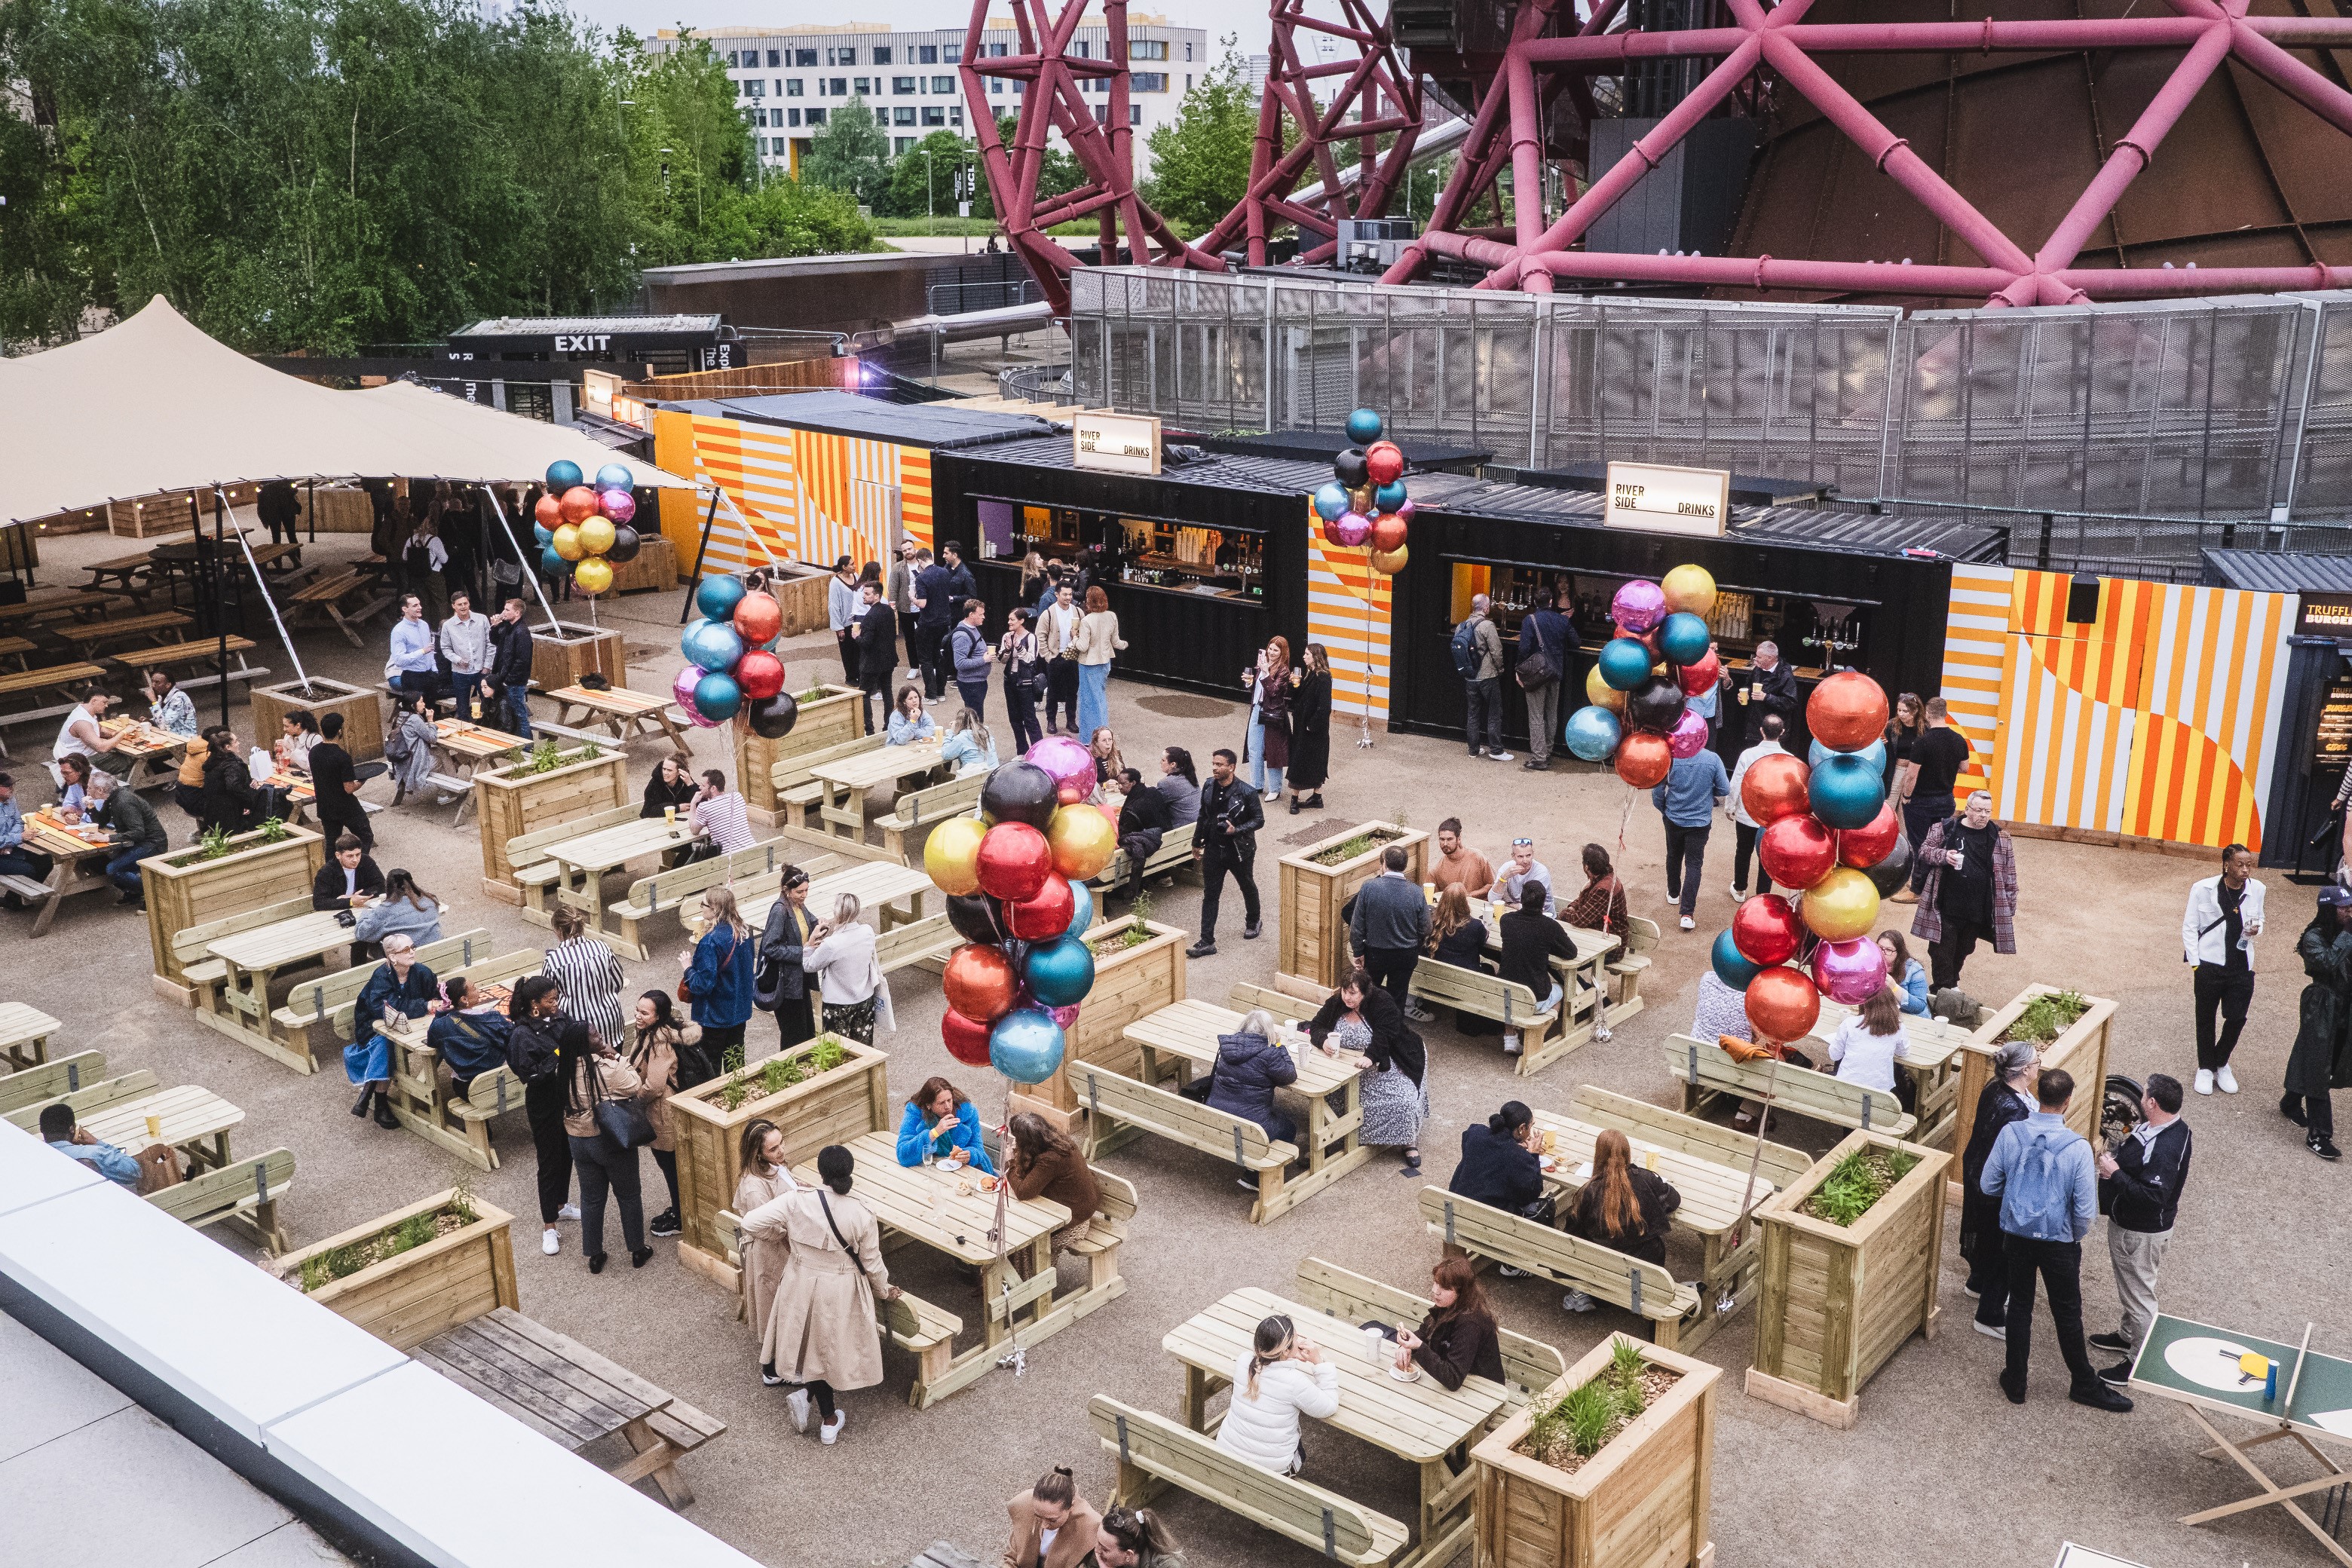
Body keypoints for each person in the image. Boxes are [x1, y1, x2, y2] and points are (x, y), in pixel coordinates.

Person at [1980, 1068, 2131, 1410]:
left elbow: (1989, 1184)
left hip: (2017, 1235)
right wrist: (2072, 1236)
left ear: (2039, 1094)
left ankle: (2016, 1381)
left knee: (2020, 1306)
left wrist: (2017, 1204)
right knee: (2067, 1313)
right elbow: (2085, 1210)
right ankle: (2083, 1383)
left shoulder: (2011, 1133)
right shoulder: (2077, 1148)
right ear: (2068, 1101)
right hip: (2059, 1243)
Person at [743, 1143, 899, 1443]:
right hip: (840, 1287)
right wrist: (883, 1290)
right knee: (826, 1347)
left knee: (809, 1343)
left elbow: (751, 1222)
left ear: (821, 1172)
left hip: (800, 1279)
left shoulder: (796, 1200)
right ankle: (827, 1419)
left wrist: (784, 1235)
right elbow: (872, 1263)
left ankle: (814, 1403)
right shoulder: (862, 1212)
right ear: (850, 1172)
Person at [2093, 1073, 2192, 1386]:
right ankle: (2127, 1335)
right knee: (2133, 1286)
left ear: (2152, 1103)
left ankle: (2137, 1360)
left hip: (2139, 1234)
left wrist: (2114, 1173)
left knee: (2139, 1296)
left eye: (2145, 1093)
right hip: (2136, 1228)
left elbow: (2152, 1197)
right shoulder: (2167, 1127)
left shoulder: (2165, 1148)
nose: (2141, 1095)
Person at [559, 1009, 651, 1274]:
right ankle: (637, 1249)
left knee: (591, 1198)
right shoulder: (606, 1069)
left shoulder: (562, 1069)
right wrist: (617, 1056)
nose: (600, 1036)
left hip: (578, 1140)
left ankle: (594, 1254)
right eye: (595, 1035)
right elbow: (634, 1084)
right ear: (585, 1044)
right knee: (629, 1195)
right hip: (608, 1139)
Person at [1311, 969, 1427, 1172]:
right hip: (1346, 1068)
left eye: (1353, 993)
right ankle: (1337, 1137)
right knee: (1333, 1100)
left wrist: (1371, 1056)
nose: (1347, 997)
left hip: (1384, 1065)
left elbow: (1386, 1034)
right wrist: (1323, 1040)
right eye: (1345, 991)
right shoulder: (1337, 1002)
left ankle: (1407, 1141)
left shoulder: (1382, 1002)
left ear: (1364, 992)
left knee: (1404, 1102)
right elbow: (1317, 1025)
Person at [1960, 1040, 2040, 1334]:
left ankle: (1977, 1284)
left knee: (1986, 1235)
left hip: (1978, 1169)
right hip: (1995, 1183)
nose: (2039, 1067)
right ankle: (1989, 1316)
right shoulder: (2015, 1112)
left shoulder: (1995, 1087)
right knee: (2002, 1247)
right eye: (2036, 1063)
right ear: (2024, 1070)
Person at [1563, 1128, 1681, 1312]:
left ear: (1598, 1156)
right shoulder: (1645, 1178)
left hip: (1603, 1274)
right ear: (1628, 1153)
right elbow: (1674, 1200)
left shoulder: (1589, 1191)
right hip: (1646, 1271)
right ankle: (1635, 1300)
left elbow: (1571, 1232)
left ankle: (1584, 1292)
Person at [1910, 789, 2017, 991]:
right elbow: (1924, 851)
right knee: (1941, 951)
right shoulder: (1945, 829)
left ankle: (1949, 986)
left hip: (1977, 908)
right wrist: (1944, 856)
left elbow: (2009, 874)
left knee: (1965, 949)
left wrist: (2008, 908)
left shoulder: (2000, 837)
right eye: (1978, 810)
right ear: (1967, 810)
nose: (1983, 815)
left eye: (1987, 811)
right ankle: (1946, 988)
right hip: (1946, 905)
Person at [2182, 843, 2264, 1095]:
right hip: (2209, 965)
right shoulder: (2202, 889)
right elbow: (2190, 927)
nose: (2246, 869)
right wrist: (2196, 964)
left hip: (2241, 966)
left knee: (2237, 1017)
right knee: (2205, 1018)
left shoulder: (2258, 889)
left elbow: (2260, 918)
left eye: (2249, 864)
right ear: (2227, 865)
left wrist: (2257, 929)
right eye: (2240, 864)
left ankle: (2221, 1061)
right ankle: (2205, 1068)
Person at [505, 976, 579, 1255]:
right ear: (535, 1004)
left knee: (568, 1152)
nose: (556, 1003)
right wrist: (560, 1052)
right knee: (549, 1162)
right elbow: (531, 1074)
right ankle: (549, 1226)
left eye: (557, 998)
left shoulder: (560, 1018)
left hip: (569, 1096)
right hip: (544, 1103)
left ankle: (562, 1205)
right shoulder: (521, 1035)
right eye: (551, 1000)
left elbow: (576, 1038)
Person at [1214, 1313, 1339, 1475]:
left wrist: (1287, 1356)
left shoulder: (1244, 1361)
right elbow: (1329, 1407)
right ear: (1285, 1349)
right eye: (1296, 1338)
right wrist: (1319, 1363)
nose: (1299, 1341)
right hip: (1272, 1473)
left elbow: (1267, 1366)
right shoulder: (1294, 1381)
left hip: (1226, 1454)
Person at [2283, 884, 2352, 1160]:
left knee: (2328, 1058)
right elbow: (2325, 964)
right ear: (2328, 910)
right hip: (2322, 1005)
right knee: (2318, 1066)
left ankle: (2290, 1101)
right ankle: (2319, 1135)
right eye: (2343, 908)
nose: (2349, 912)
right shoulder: (2314, 937)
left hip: (2346, 1007)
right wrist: (2347, 935)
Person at [349, 934, 443, 1129]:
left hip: (414, 1024)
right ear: (392, 956)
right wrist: (423, 1006)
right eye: (406, 950)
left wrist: (433, 1002)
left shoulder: (423, 972)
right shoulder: (381, 976)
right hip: (372, 1025)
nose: (412, 952)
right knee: (385, 1044)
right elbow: (382, 1008)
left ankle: (368, 1093)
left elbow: (435, 999)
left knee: (442, 1034)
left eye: (413, 947)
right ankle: (380, 1102)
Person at [734, 1119, 799, 1385]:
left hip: (781, 1246)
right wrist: (790, 1238)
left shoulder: (774, 1166)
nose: (781, 1151)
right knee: (773, 1305)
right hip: (769, 1253)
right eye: (773, 1149)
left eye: (781, 1143)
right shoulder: (754, 1186)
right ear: (758, 1153)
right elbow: (764, 1227)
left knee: (781, 1304)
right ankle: (771, 1370)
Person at [628, 991, 694, 1239]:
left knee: (671, 1168)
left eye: (645, 1013)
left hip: (663, 1115)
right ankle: (679, 1209)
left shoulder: (659, 1043)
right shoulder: (650, 1033)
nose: (638, 1016)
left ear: (658, 1017)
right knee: (671, 1166)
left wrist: (635, 1101)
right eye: (637, 1010)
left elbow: (655, 1085)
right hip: (661, 1112)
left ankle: (680, 1217)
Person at [1188, 748, 1263, 958]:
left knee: (1247, 884)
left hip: (1239, 850)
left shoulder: (1247, 792)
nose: (1214, 768)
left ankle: (1253, 920)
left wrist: (1236, 830)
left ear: (1231, 767)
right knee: (1211, 894)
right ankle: (1206, 941)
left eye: (1219, 765)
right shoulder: (1208, 785)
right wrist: (1196, 841)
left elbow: (1259, 820)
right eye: (1214, 764)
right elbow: (1203, 815)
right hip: (1213, 849)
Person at [1389, 1257, 1505, 1389]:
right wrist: (1406, 1346)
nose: (1435, 1291)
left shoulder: (1470, 1324)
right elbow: (1425, 1332)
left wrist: (1419, 1347)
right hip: (1461, 1378)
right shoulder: (1450, 1304)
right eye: (1436, 1282)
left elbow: (1453, 1379)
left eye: (1445, 1288)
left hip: (1484, 1389)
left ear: (1462, 1292)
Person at [1896, 698, 1972, 901]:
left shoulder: (1922, 741)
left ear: (1928, 714)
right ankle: (1937, 887)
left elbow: (1911, 775)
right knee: (1942, 844)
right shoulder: (1959, 740)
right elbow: (1965, 768)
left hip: (1921, 802)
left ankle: (1917, 890)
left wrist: (1906, 796)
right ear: (1945, 714)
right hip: (1946, 800)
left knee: (1920, 845)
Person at [680, 887, 755, 1088]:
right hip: (739, 1011)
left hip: (714, 1016)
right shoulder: (745, 932)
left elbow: (702, 985)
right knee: (735, 1062)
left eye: (703, 904)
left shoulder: (710, 942)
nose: (701, 908)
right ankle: (738, 1095)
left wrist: (688, 969)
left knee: (709, 1067)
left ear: (715, 909)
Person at [1653, 740, 1730, 932]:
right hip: (1699, 822)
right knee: (1694, 865)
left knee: (1673, 855)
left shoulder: (1671, 759)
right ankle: (1687, 914)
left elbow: (1657, 791)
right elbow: (1725, 789)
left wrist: (1664, 810)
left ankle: (1673, 894)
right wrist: (1707, 792)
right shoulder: (1713, 759)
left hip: (1674, 817)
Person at [1349, 844, 1430, 1017]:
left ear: (1384, 863)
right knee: (1398, 998)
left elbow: (1357, 925)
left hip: (1375, 953)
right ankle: (1394, 1029)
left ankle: (1369, 1027)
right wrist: (1414, 945)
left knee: (1369, 995)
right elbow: (1425, 928)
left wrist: (1358, 951)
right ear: (1405, 865)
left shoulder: (1369, 888)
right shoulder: (1416, 892)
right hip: (1405, 954)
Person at [1497, 880, 1573, 1057]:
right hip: (1535, 996)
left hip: (1504, 995)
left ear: (1521, 899)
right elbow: (1571, 952)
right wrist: (1548, 946)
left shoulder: (1506, 920)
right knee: (1560, 990)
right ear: (1544, 902)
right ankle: (1537, 1038)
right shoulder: (1549, 926)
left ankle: (1510, 1036)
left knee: (1510, 984)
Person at [1204, 1008, 1298, 1146]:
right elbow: (1290, 1075)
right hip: (1253, 1128)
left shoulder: (1229, 1046)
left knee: (1275, 1114)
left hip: (1216, 1115)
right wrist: (1278, 1045)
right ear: (1268, 1031)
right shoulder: (1270, 1053)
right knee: (1290, 1128)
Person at [804, 892, 889, 1043]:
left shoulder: (832, 944)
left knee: (836, 1048)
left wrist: (810, 945)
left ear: (837, 913)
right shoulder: (868, 932)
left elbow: (809, 966)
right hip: (865, 999)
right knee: (863, 1047)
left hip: (837, 1005)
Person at [1003, 1112, 1101, 1237]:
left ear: (1027, 1142)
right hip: (1083, 1202)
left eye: (1018, 1139)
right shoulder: (1058, 1140)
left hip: (1074, 1213)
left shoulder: (1050, 1159)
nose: (1015, 1141)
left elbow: (1023, 1192)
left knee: (1016, 1221)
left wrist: (1011, 1162)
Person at [544, 902, 627, 1048]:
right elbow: (618, 983)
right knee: (616, 1061)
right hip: (611, 1023)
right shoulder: (603, 948)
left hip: (578, 1029)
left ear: (559, 930)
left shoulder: (553, 961)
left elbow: (548, 998)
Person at [1449, 1101, 1549, 1220]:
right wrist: (1533, 1154)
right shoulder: (1517, 1156)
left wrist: (1513, 1145)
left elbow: (1488, 1151)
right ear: (1522, 1128)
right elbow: (1533, 1192)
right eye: (1530, 1127)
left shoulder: (1475, 1133)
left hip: (1454, 1212)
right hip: (1487, 1221)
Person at [1515, 582, 1578, 771]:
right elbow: (1576, 642)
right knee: (1551, 714)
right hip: (1555, 672)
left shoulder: (1530, 620)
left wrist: (1518, 670)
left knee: (1536, 715)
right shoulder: (1562, 621)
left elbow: (1524, 648)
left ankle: (1539, 757)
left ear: (1535, 602)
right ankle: (1548, 751)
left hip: (1536, 674)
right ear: (1551, 601)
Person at [1727, 712, 1790, 902]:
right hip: (1773, 818)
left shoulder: (1748, 755)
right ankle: (1762, 894)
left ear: (1761, 731)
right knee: (1766, 856)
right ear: (1782, 732)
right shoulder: (1788, 758)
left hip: (1747, 813)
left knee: (1743, 850)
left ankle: (1740, 888)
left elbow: (1736, 782)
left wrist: (1730, 806)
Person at [758, 865, 820, 1051]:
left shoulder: (798, 904)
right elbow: (770, 947)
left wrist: (821, 925)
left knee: (807, 1032)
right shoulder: (780, 911)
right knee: (794, 1036)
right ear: (787, 890)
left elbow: (810, 921)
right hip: (787, 985)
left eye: (807, 890)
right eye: (800, 892)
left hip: (800, 980)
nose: (804, 895)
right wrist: (802, 950)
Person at [86, 772, 166, 908]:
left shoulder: (124, 802)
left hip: (152, 844)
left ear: (100, 790)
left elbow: (138, 833)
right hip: (136, 842)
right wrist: (91, 807)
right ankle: (133, 891)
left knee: (114, 869)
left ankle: (154, 894)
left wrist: (107, 838)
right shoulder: (111, 799)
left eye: (89, 787)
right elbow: (101, 822)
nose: (87, 790)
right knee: (96, 861)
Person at [427, 976, 513, 1098]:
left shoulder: (440, 1026)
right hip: (501, 1081)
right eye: (474, 988)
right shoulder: (492, 1017)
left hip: (465, 1089)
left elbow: (431, 1041)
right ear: (464, 999)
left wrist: (440, 1012)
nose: (478, 990)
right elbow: (512, 1040)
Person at [1816, 985, 1906, 1097]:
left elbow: (1834, 1055)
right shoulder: (1899, 1027)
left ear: (1863, 1002)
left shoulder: (1850, 1023)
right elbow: (1903, 1052)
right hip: (1881, 1093)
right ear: (1892, 1004)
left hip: (1845, 1089)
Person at [1003, 1467, 1102, 1568]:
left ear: (1071, 1507)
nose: (1043, 1525)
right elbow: (1012, 1557)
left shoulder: (1090, 1527)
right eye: (1038, 1517)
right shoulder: (1024, 1506)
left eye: (1052, 1520)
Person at [896, 1076, 997, 1172]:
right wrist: (935, 1132)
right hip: (934, 1170)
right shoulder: (915, 1112)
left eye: (949, 1100)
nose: (948, 1106)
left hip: (969, 1170)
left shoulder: (968, 1112)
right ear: (929, 1105)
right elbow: (903, 1156)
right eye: (941, 1103)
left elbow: (978, 1148)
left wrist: (970, 1155)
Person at [1455, 593, 1511, 761]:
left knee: (1473, 713)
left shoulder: (1461, 626)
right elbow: (1497, 651)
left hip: (1469, 677)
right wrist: (1500, 669)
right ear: (1486, 608)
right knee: (1494, 713)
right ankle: (1496, 750)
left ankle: (1473, 750)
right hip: (1487, 676)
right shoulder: (1487, 625)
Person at [308, 712, 374, 852]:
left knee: (332, 844)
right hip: (346, 807)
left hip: (325, 806)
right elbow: (349, 788)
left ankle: (333, 866)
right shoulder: (342, 757)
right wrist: (363, 779)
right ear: (340, 731)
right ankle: (359, 863)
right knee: (365, 836)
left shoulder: (314, 752)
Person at [38, 1099, 142, 1186]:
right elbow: (134, 1171)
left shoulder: (37, 1157)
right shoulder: (94, 1154)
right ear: (72, 1129)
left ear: (42, 1130)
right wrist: (97, 1142)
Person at [1113, 766, 1172, 905]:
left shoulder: (1133, 809)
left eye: (1123, 784)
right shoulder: (1153, 792)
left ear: (1133, 783)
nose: (1119, 787)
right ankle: (1162, 875)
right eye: (1118, 784)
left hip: (1148, 844)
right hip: (1167, 838)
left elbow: (1125, 835)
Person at [1244, 636, 1292, 805]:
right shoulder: (1262, 664)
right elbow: (1258, 690)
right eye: (1270, 649)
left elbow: (1273, 692)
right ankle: (1256, 784)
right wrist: (1249, 683)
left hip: (1274, 713)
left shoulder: (1283, 671)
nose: (1271, 653)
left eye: (1276, 650)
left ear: (1282, 652)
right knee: (1254, 748)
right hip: (1257, 709)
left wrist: (1265, 674)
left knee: (1273, 750)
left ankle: (1275, 788)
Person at [1285, 643, 1333, 813]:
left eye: (1307, 654)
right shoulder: (1310, 674)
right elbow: (1297, 697)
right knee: (1307, 760)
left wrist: (1312, 725)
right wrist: (1294, 684)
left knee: (1305, 761)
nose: (1304, 657)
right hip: (1303, 726)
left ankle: (1295, 799)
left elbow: (1324, 706)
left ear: (1315, 657)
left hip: (1313, 729)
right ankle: (1316, 797)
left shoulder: (1323, 677)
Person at [1074, 585, 1126, 740]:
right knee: (1100, 699)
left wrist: (1074, 637)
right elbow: (1116, 642)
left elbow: (1082, 646)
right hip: (1105, 662)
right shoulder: (1112, 616)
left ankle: (1089, 737)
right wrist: (1125, 644)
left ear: (1089, 601)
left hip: (1088, 664)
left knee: (1087, 701)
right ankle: (1104, 734)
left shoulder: (1086, 621)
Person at [850, 580, 898, 737]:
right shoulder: (888, 610)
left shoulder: (870, 616)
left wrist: (857, 636)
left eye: (867, 594)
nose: (864, 596)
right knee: (887, 692)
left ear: (876, 596)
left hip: (872, 662)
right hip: (888, 659)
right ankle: (888, 726)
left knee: (864, 694)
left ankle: (869, 729)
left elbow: (866, 643)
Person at [485, 598, 536, 739]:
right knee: (510, 712)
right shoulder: (507, 626)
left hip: (514, 682)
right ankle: (518, 743)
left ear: (517, 613)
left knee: (520, 714)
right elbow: (495, 641)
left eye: (507, 610)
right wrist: (495, 626)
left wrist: (508, 679)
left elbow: (522, 660)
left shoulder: (522, 632)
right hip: (503, 677)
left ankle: (527, 746)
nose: (504, 612)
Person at [54, 691, 134, 779]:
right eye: (104, 702)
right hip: (77, 762)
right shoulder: (82, 722)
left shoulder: (83, 711)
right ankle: (116, 788)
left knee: (119, 754)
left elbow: (98, 728)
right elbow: (102, 748)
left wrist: (112, 734)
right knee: (128, 760)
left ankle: (111, 783)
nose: (107, 705)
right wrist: (124, 732)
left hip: (75, 756)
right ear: (94, 701)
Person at [354, 868, 442, 948]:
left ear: (388, 887)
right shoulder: (430, 900)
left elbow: (361, 934)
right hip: (436, 952)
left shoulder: (386, 910)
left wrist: (366, 912)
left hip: (405, 957)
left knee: (372, 941)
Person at [1038, 579, 1083, 736]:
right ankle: (1051, 721)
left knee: (1072, 690)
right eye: (1065, 594)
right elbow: (1040, 635)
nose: (1068, 598)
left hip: (1073, 656)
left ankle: (1071, 721)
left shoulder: (1078, 612)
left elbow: (1085, 632)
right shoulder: (1049, 613)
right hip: (1056, 656)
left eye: (1070, 594)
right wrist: (1048, 656)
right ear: (1057, 595)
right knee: (1053, 691)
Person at [998, 607, 1044, 755]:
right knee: (1015, 719)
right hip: (1009, 681)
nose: (1009, 622)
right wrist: (1007, 649)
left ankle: (1039, 752)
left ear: (1022, 621)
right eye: (1009, 619)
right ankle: (1022, 751)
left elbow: (1031, 660)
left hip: (1025, 683)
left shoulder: (1031, 638)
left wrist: (1019, 647)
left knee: (1030, 719)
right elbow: (1001, 660)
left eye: (1012, 619)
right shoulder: (1007, 636)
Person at [1737, 640, 1799, 744]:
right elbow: (1748, 684)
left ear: (1770, 658)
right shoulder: (1757, 670)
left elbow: (1790, 702)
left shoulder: (1785, 676)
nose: (1756, 659)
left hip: (1774, 732)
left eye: (1759, 657)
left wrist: (1766, 697)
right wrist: (1745, 693)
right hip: (1754, 727)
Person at [1561, 843, 1629, 938]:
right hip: (1599, 933)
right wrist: (1573, 906)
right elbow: (1588, 899)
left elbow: (1580, 920)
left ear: (1586, 867)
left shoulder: (1604, 889)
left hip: (1611, 940)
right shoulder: (1603, 876)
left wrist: (1565, 913)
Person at [382, 691, 439, 803]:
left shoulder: (398, 716)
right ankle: (446, 792)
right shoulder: (415, 719)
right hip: (414, 764)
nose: (424, 704)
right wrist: (430, 720)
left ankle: (451, 786)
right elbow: (432, 739)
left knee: (440, 752)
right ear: (413, 705)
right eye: (421, 702)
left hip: (401, 761)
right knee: (441, 760)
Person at [0, 773, 54, 890]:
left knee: (46, 861)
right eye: (8, 786)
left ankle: (15, 898)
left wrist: (10, 842)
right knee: (27, 870)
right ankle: (20, 896)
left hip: (9, 848)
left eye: (13, 785)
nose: (12, 789)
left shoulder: (11, 800)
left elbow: (18, 822)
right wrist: (18, 838)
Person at [687, 769, 755, 859]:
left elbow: (694, 830)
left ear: (713, 789)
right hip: (753, 852)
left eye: (703, 785)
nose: (699, 787)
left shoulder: (704, 807)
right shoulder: (737, 797)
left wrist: (693, 803)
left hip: (730, 859)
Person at [385, 594, 440, 702]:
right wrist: (422, 651)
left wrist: (435, 671)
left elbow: (430, 651)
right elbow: (399, 660)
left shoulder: (424, 625)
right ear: (405, 609)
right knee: (416, 708)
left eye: (419, 604)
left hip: (428, 674)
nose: (420, 607)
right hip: (409, 675)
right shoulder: (399, 631)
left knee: (431, 707)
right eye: (415, 606)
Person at [311, 833, 384, 910]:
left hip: (362, 906)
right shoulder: (326, 872)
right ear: (338, 855)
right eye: (350, 856)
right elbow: (319, 903)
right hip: (338, 911)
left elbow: (381, 885)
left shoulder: (366, 861)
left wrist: (355, 897)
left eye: (358, 854)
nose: (355, 860)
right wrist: (350, 901)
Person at [1094, 1505, 1182, 1568]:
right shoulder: (1108, 1557)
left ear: (1128, 1555)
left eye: (1105, 1549)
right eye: (1098, 1542)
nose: (1097, 1550)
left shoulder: (1168, 1566)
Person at [948, 598, 994, 720]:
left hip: (978, 682)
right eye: (981, 614)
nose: (984, 617)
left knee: (976, 716)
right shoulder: (962, 636)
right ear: (971, 615)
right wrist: (984, 660)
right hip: (971, 684)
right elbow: (960, 663)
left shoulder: (973, 628)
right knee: (975, 719)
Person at [1430, 819, 1494, 899]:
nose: (1445, 844)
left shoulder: (1477, 858)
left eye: (1450, 839)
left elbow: (1492, 886)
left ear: (1459, 839)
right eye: (1442, 839)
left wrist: (1469, 895)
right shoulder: (1436, 870)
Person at [1496, 838, 1554, 917]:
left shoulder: (1541, 872)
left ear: (1533, 854)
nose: (1525, 861)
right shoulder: (1507, 868)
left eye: (1528, 855)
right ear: (1513, 856)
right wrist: (1503, 878)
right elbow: (1493, 899)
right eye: (1520, 856)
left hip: (1542, 917)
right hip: (1517, 914)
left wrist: (1509, 905)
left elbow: (1531, 907)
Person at [828, 556, 862, 684]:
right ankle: (851, 677)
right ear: (844, 567)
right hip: (845, 623)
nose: (854, 566)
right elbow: (833, 606)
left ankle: (860, 674)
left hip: (857, 620)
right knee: (848, 651)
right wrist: (838, 628)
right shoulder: (835, 583)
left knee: (858, 649)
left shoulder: (856, 576)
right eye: (851, 564)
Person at [1879, 930, 1930, 1016]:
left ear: (1899, 952)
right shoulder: (1873, 964)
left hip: (1912, 1018)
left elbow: (1919, 1007)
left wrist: (1894, 987)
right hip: (1884, 1015)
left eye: (1888, 950)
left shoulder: (1914, 970)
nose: (1883, 953)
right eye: (1880, 948)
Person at [940, 709, 998, 777]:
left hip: (975, 777)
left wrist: (951, 732)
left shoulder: (962, 737)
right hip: (994, 774)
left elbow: (946, 754)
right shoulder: (986, 732)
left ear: (959, 723)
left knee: (940, 774)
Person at [641, 752, 698, 819]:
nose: (665, 773)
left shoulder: (685, 779)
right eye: (664, 769)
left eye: (669, 770)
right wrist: (677, 808)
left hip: (683, 818)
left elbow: (701, 802)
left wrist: (691, 784)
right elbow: (647, 812)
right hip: (657, 821)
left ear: (679, 772)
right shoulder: (654, 784)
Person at [145, 669, 197, 741]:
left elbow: (163, 725)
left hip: (183, 738)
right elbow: (165, 717)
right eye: (152, 682)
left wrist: (154, 702)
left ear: (168, 685)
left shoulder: (178, 699)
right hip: (170, 734)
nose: (153, 686)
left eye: (157, 682)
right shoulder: (162, 696)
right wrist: (150, 721)